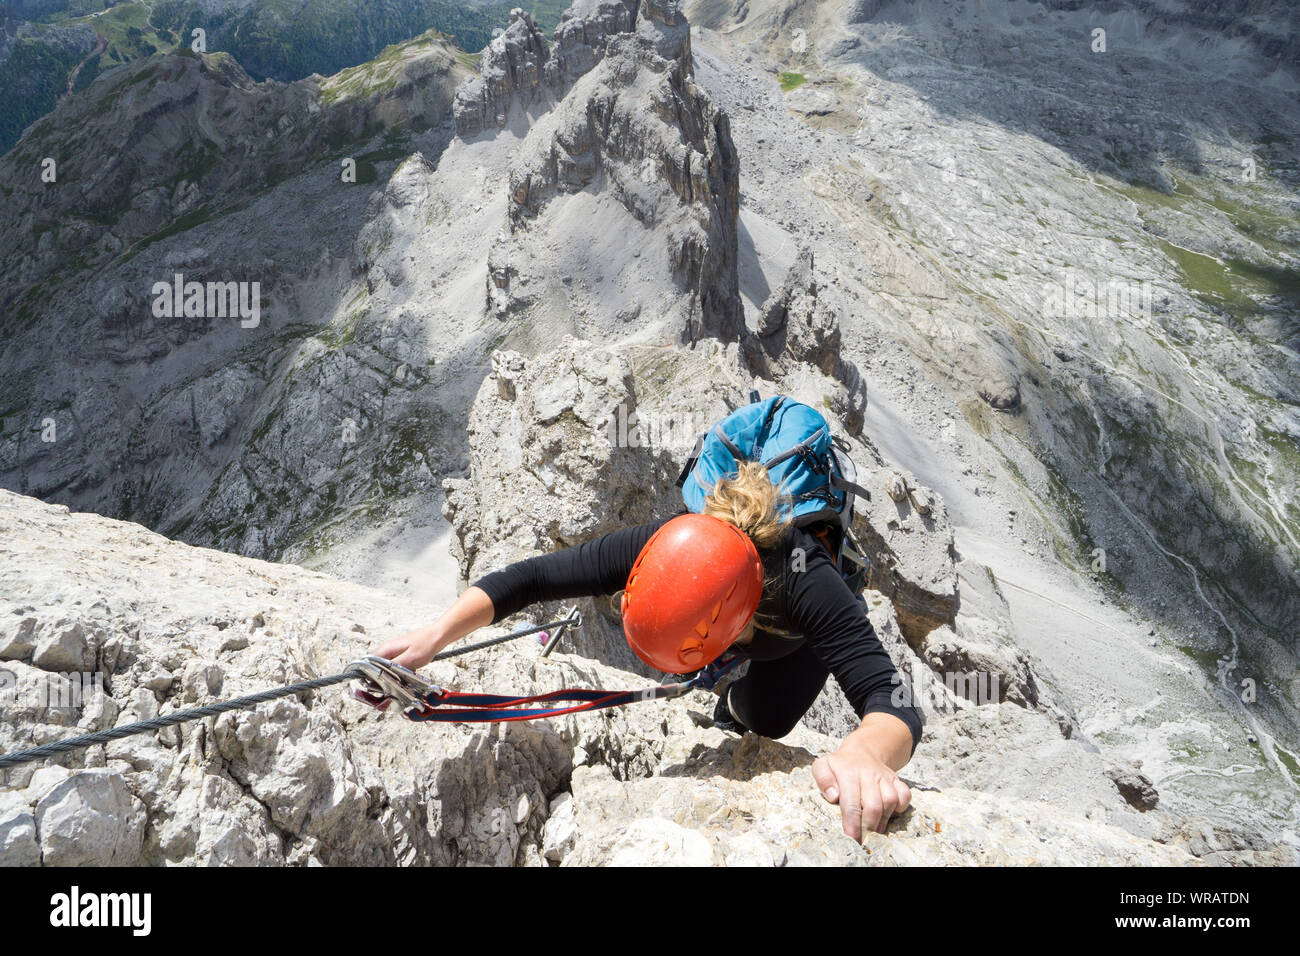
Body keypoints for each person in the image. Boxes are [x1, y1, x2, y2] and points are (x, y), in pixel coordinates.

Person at [374, 462, 923, 843]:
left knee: (766, 719)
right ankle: (731, 697)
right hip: (740, 618)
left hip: (793, 639)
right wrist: (436, 635)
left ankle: (733, 704)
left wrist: (865, 754)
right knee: (756, 713)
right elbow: (532, 577)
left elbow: (893, 701)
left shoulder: (808, 585)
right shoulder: (666, 546)